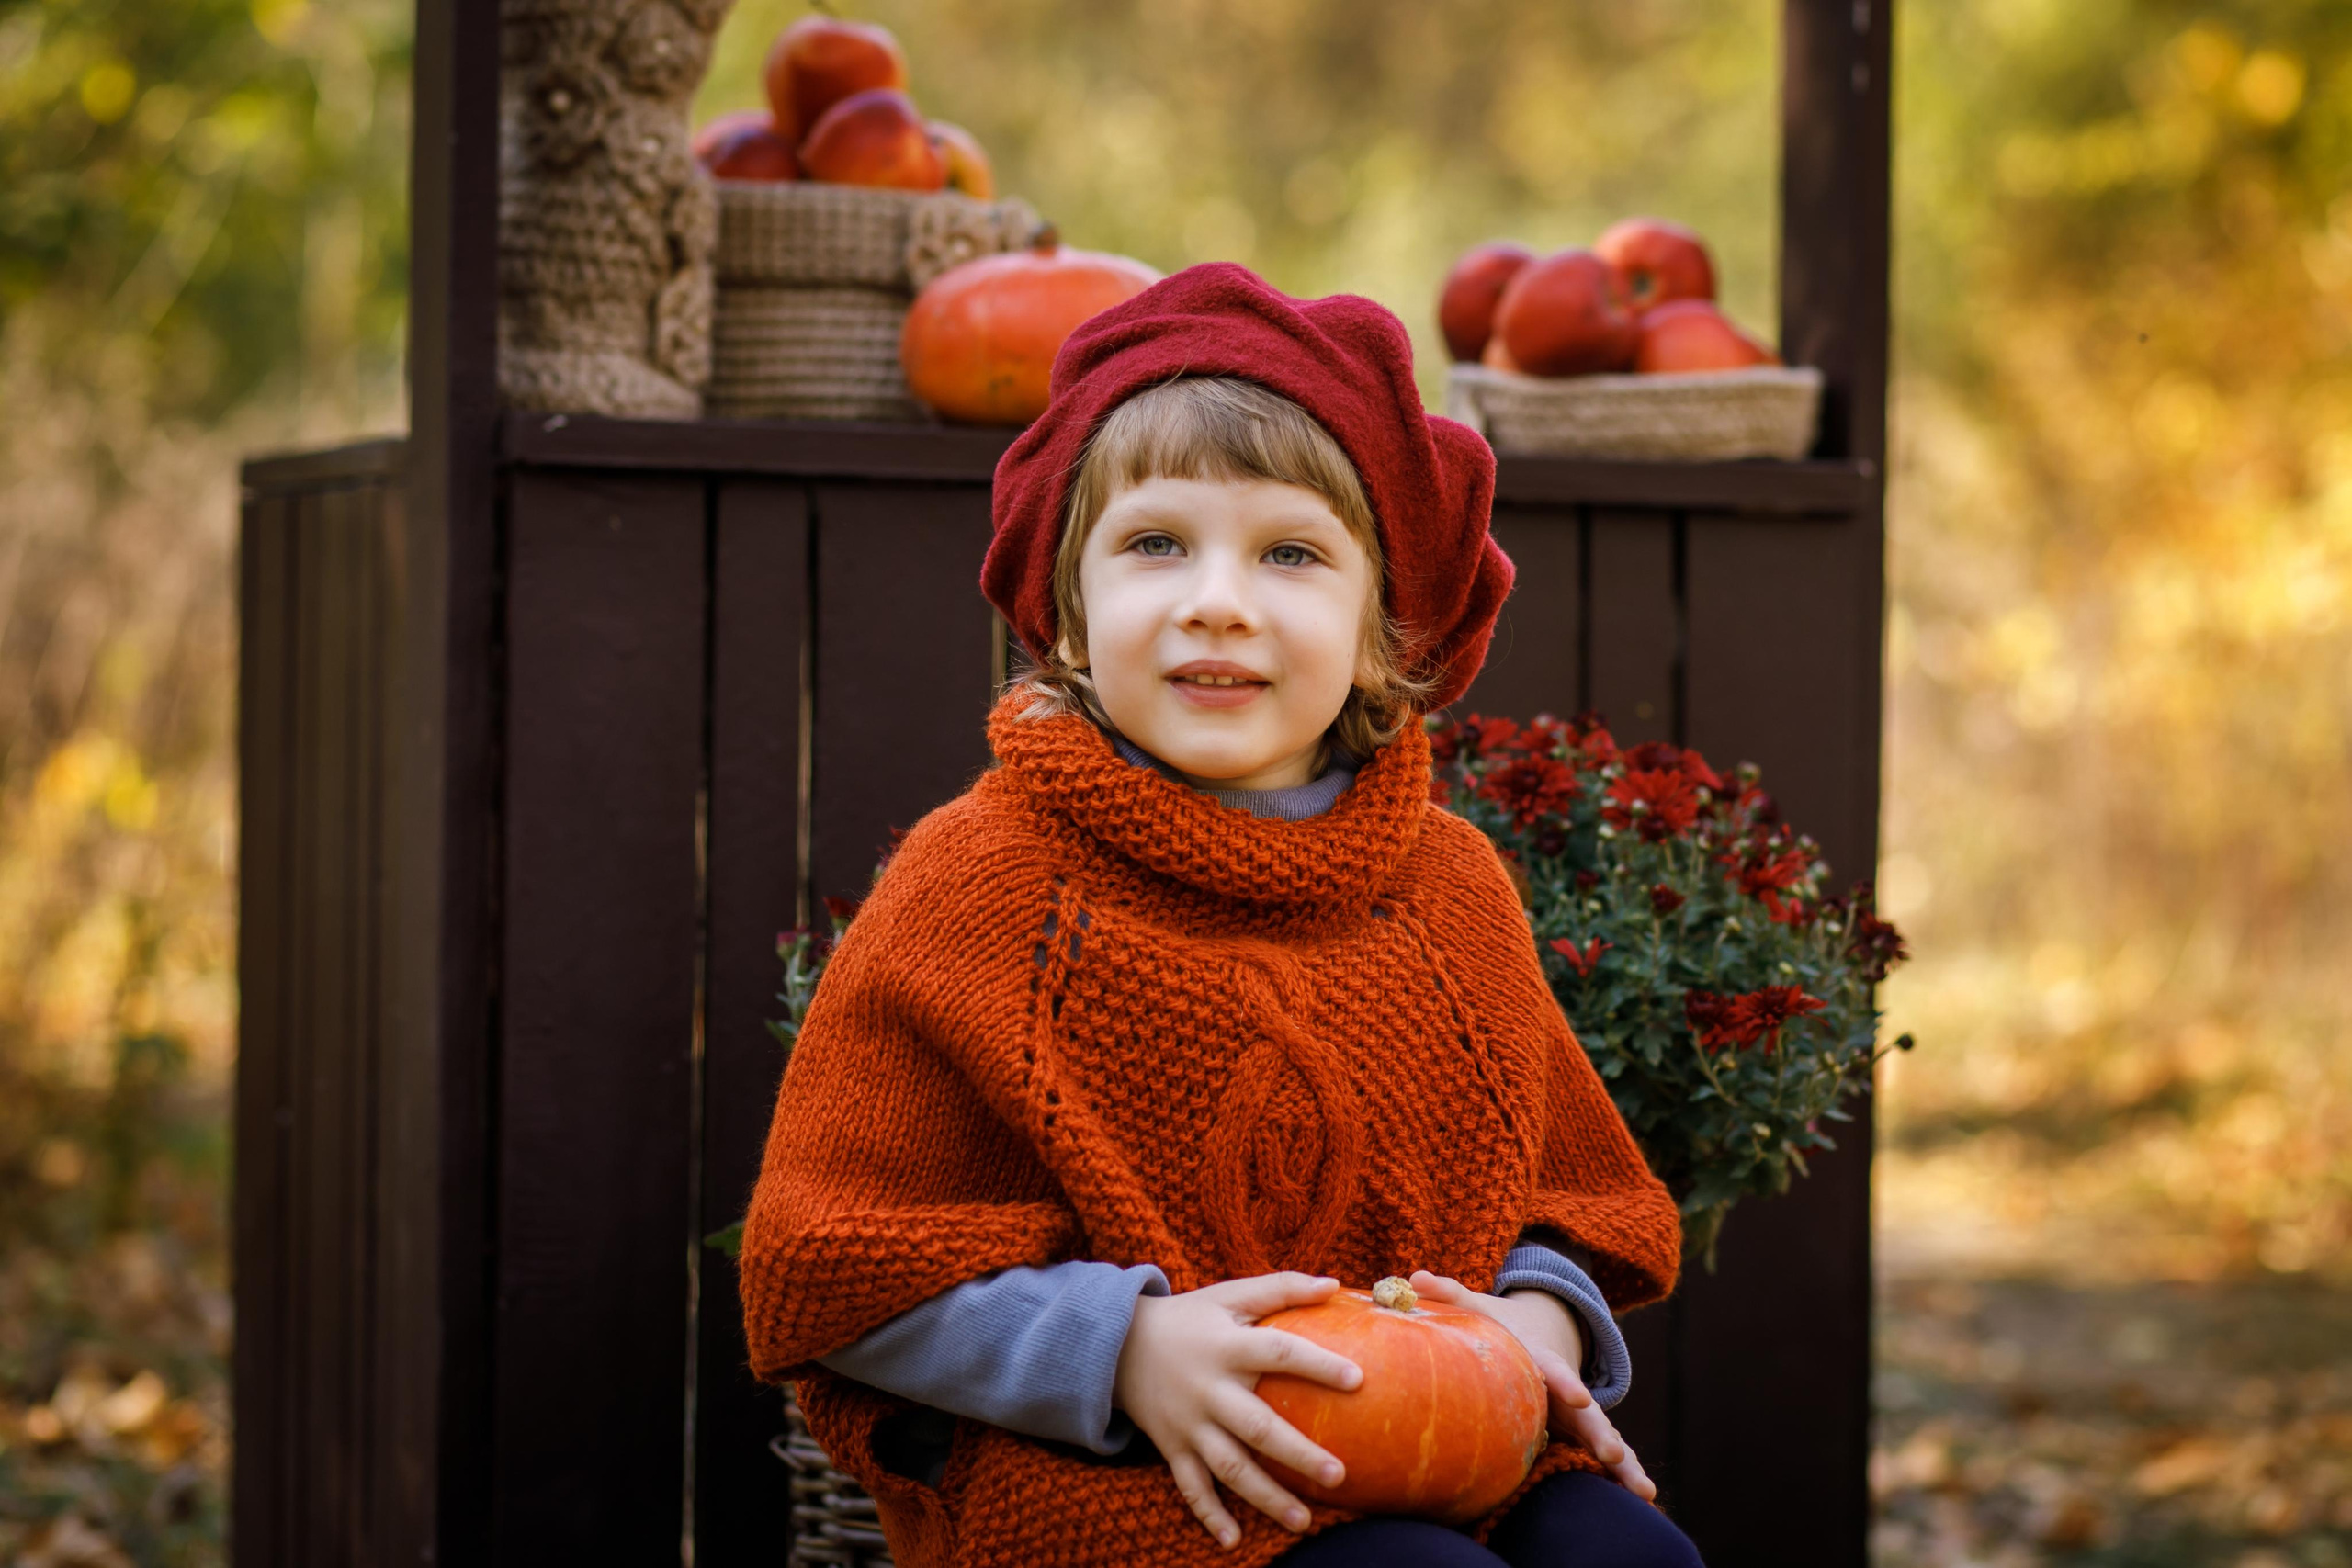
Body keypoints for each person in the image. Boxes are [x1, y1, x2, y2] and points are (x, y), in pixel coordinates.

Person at [738, 263, 1700, 1568]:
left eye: (1291, 554)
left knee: (1632, 1559)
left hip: (1448, 1444)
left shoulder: (1449, 888)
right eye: (1155, 545)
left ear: (1381, 626)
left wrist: (1537, 1327)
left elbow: (1575, 1201)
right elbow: (832, 1267)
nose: (1218, 600)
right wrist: (1123, 1350)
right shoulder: (982, 884)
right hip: (1117, 1474)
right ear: (1071, 610)